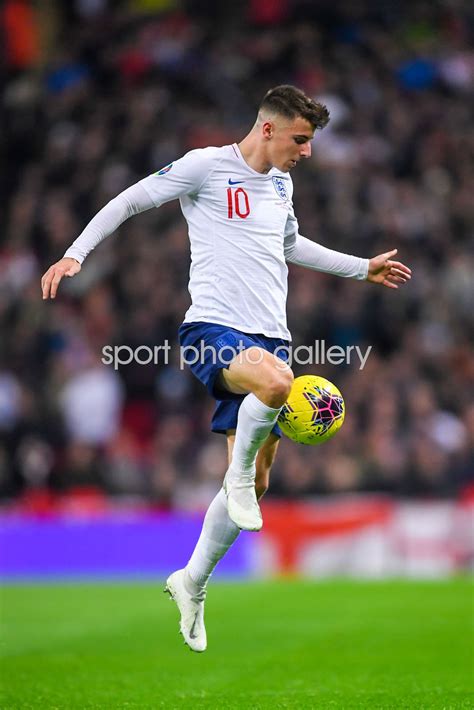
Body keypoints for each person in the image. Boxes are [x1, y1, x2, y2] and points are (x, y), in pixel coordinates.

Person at [41, 85, 411, 652]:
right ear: (268, 129)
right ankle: (234, 480)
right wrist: (76, 253)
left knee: (260, 483)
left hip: (271, 337)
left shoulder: (283, 183)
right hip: (211, 329)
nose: (307, 152)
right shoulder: (206, 167)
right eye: (301, 140)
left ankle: (192, 581)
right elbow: (130, 200)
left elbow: (291, 246)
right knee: (277, 387)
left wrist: (361, 268)